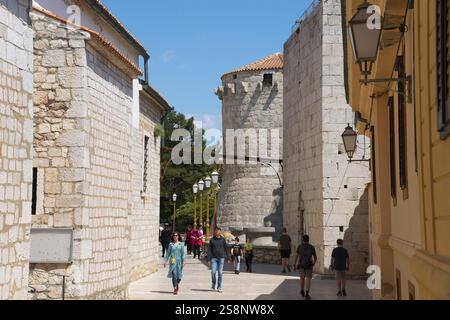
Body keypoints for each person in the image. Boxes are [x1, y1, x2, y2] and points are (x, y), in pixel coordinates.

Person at [294, 235, 317, 300]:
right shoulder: (311, 247)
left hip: (301, 264)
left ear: (303, 240)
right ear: (308, 240)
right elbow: (315, 257)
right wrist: (313, 263)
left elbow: (296, 256)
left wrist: (294, 264)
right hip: (309, 265)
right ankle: (307, 294)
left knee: (302, 278)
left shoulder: (300, 246)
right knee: (308, 279)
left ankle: (302, 290)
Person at [207, 228, 230, 293]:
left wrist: (228, 258)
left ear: (220, 232)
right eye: (216, 231)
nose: (217, 232)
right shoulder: (212, 240)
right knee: (213, 272)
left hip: (221, 258)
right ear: (215, 232)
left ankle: (219, 287)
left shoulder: (223, 240)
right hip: (214, 258)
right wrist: (208, 259)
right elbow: (209, 250)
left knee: (220, 273)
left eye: (219, 231)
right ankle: (213, 285)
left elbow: (226, 248)